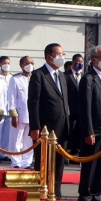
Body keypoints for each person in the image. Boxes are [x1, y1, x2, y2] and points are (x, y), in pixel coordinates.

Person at [28, 43, 70, 190]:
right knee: (43, 161)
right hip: (45, 127)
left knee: (59, 162)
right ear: (49, 57)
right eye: (58, 54)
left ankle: (56, 191)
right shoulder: (39, 75)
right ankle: (42, 190)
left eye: (63, 54)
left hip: (62, 126)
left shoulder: (62, 76)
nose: (61, 57)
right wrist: (35, 126)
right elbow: (33, 102)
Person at [76, 46, 101, 201]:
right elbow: (85, 107)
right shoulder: (88, 78)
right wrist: (88, 131)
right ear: (94, 60)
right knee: (90, 163)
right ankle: (85, 194)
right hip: (94, 129)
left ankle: (97, 193)